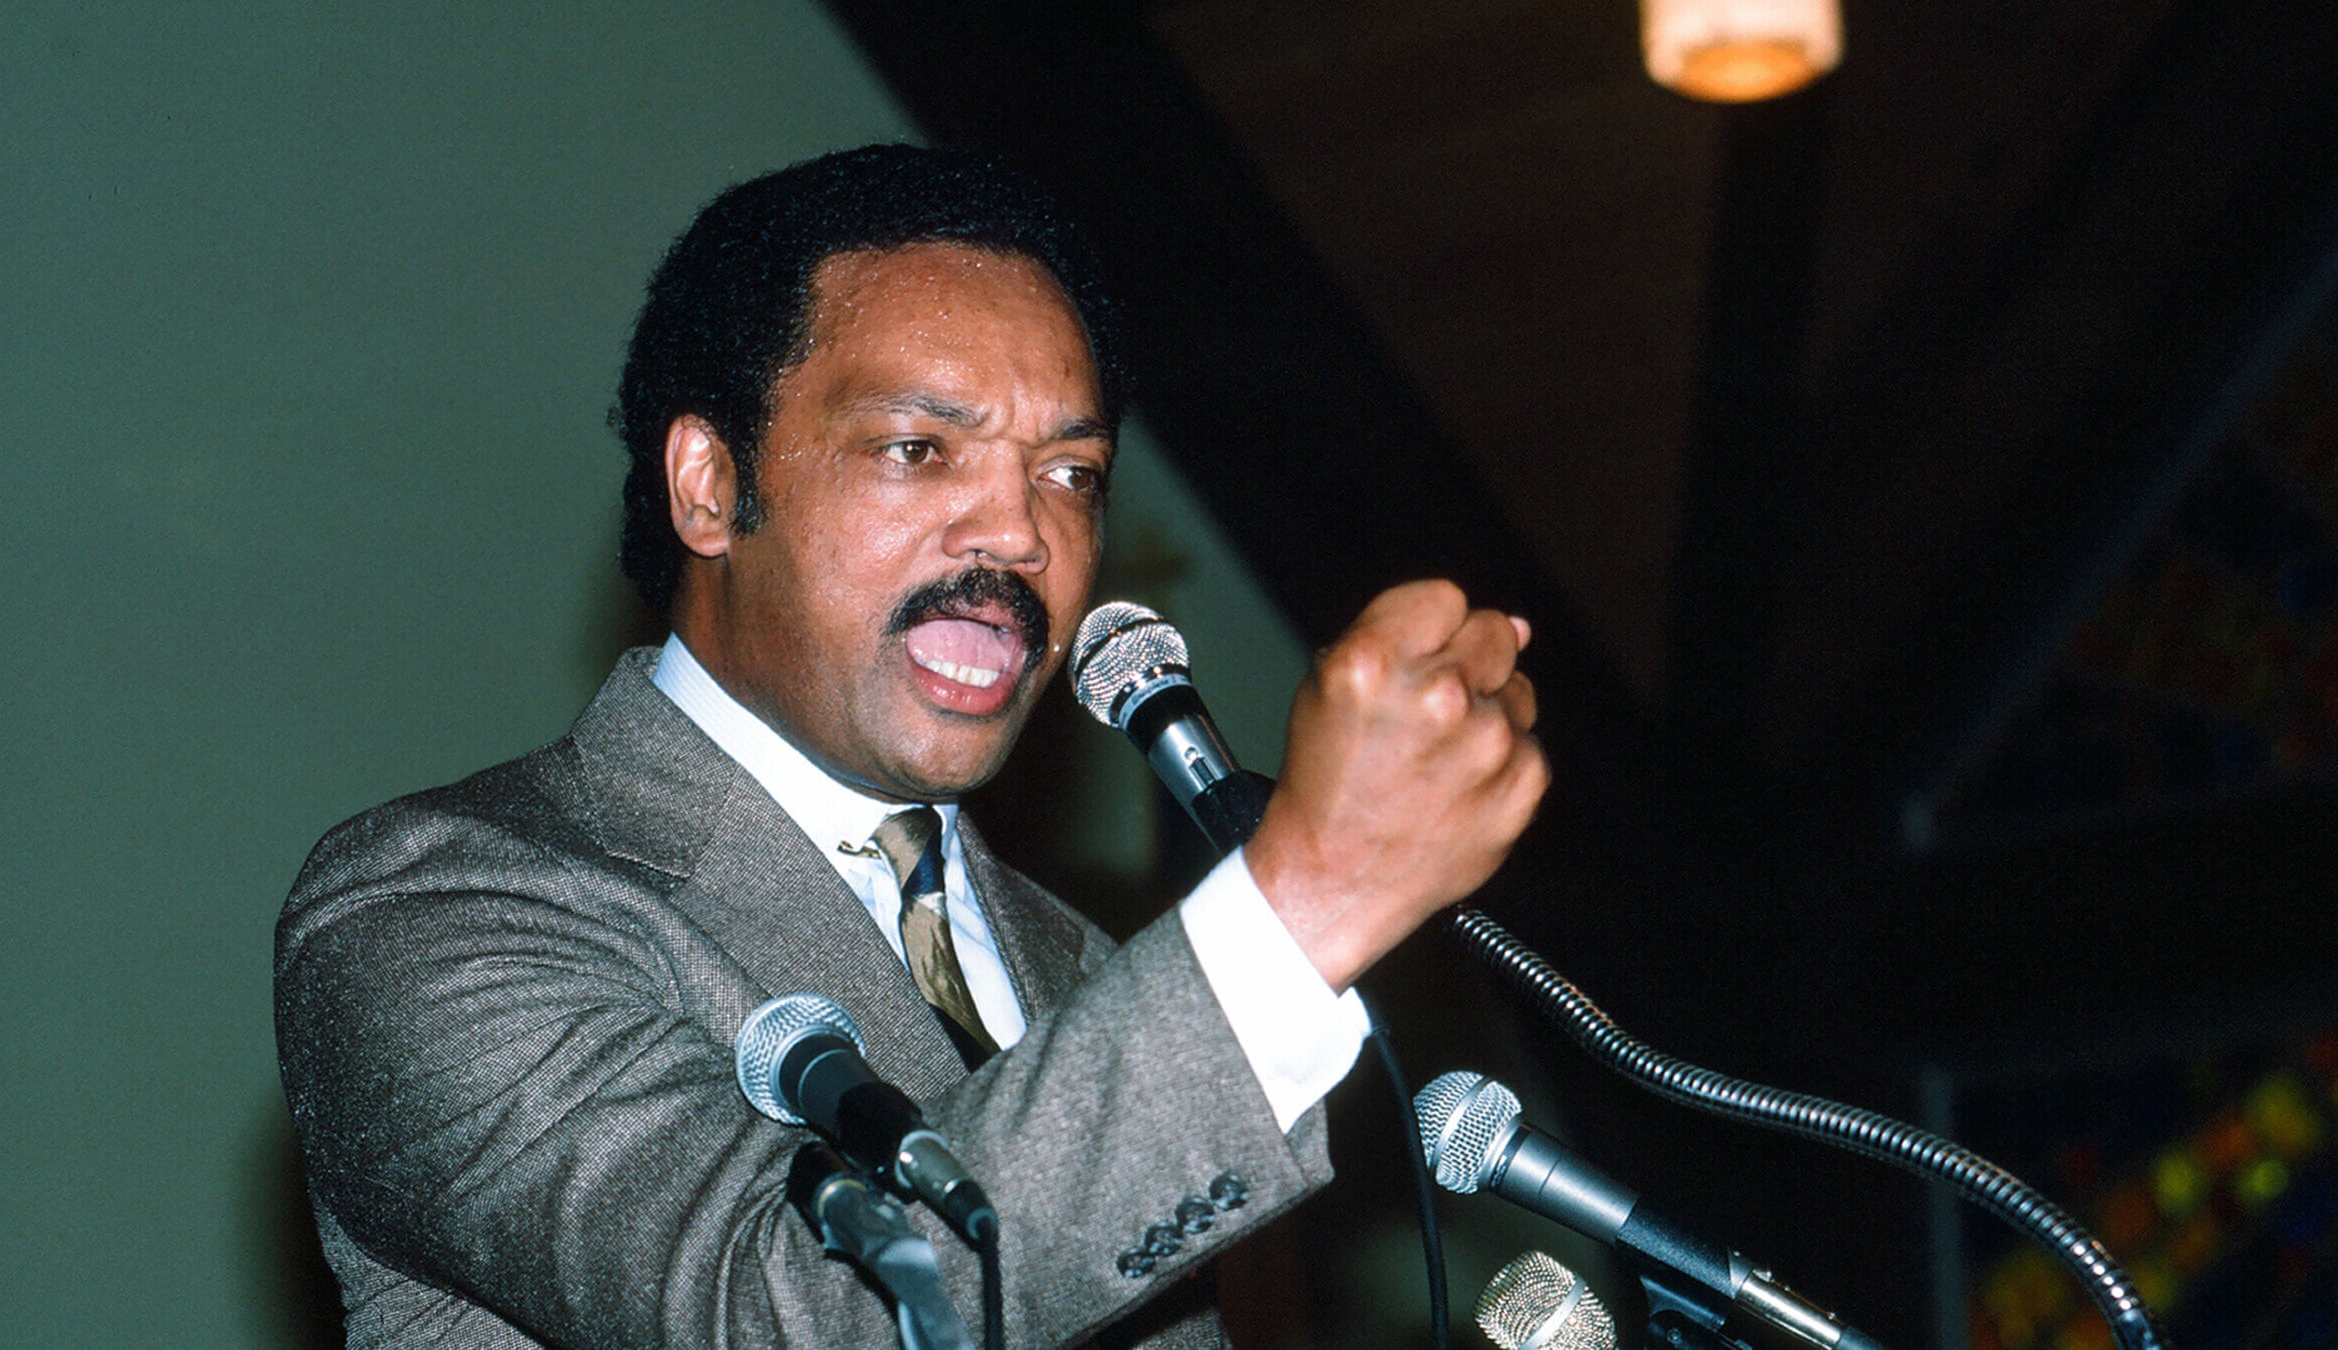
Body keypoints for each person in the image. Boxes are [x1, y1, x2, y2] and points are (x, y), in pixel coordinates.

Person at [275, 144, 1546, 1349]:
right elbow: (789, 1313)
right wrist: (1308, 896)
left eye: (1072, 472)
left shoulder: (1095, 970)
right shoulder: (431, 909)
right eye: (917, 449)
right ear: (710, 485)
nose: (1018, 536)